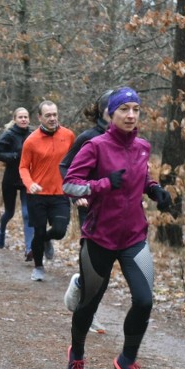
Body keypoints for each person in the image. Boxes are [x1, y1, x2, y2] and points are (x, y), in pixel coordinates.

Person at [62, 87, 171, 369]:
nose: (131, 115)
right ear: (111, 113)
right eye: (124, 109)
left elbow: (142, 177)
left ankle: (126, 359)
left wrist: (155, 189)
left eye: (136, 109)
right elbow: (70, 184)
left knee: (145, 300)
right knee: (89, 303)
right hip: (100, 237)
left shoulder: (143, 146)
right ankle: (77, 355)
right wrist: (103, 184)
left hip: (134, 236)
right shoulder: (95, 146)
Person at [59, 90, 113, 335]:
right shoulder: (88, 138)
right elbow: (65, 166)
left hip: (120, 213)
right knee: (93, 264)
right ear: (103, 111)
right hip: (90, 207)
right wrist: (77, 195)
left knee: (106, 268)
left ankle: (80, 285)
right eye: (117, 108)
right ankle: (87, 310)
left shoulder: (130, 140)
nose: (125, 113)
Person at [18, 100, 74, 282]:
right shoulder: (31, 141)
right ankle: (39, 267)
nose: (52, 119)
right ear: (39, 117)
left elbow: (77, 162)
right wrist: (29, 183)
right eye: (48, 115)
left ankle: (46, 239)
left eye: (54, 115)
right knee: (38, 232)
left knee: (59, 231)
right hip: (37, 195)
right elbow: (23, 167)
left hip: (60, 193)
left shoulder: (69, 135)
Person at [0, 107, 35, 261]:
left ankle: (29, 248)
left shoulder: (33, 134)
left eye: (26, 117)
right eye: (20, 117)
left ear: (29, 119)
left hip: (26, 179)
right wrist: (15, 155)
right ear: (15, 119)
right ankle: (2, 230)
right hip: (10, 179)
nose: (23, 119)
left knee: (27, 213)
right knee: (9, 213)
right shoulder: (8, 135)